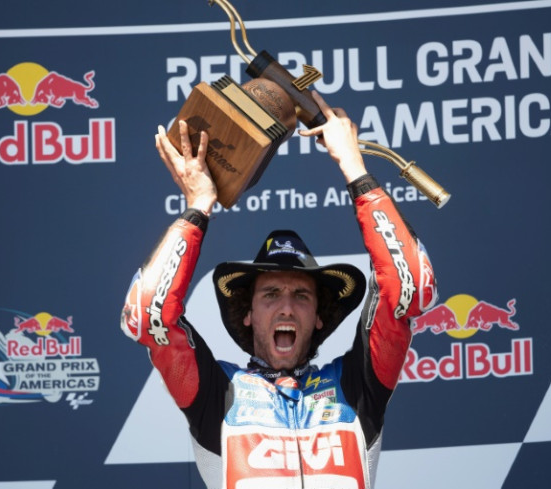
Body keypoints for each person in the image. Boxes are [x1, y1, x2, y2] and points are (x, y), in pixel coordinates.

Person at [120, 91, 437, 489]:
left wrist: (354, 166)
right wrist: (199, 204)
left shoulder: (357, 388)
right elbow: (149, 315)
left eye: (301, 296)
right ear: (248, 312)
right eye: (271, 294)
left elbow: (410, 286)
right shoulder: (218, 397)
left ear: (319, 315)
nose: (286, 307)